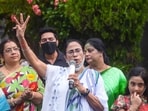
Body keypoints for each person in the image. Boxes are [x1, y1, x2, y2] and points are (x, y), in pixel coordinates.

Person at [13, 13, 108, 111]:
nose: (75, 55)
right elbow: (35, 61)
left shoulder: (94, 76)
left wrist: (83, 90)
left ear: (84, 54)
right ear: (66, 58)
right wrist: (21, 38)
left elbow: (101, 108)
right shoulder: (57, 72)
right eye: (71, 52)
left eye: (77, 51)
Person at [0, 37, 44, 111]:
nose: (13, 52)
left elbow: (43, 96)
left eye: (16, 49)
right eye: (8, 50)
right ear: (1, 56)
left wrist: (31, 95)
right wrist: (16, 101)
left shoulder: (30, 71)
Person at [84, 38, 127, 111]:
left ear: (101, 52)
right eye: (85, 52)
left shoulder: (116, 74)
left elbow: (126, 99)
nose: (87, 54)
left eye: (90, 51)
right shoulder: (83, 74)